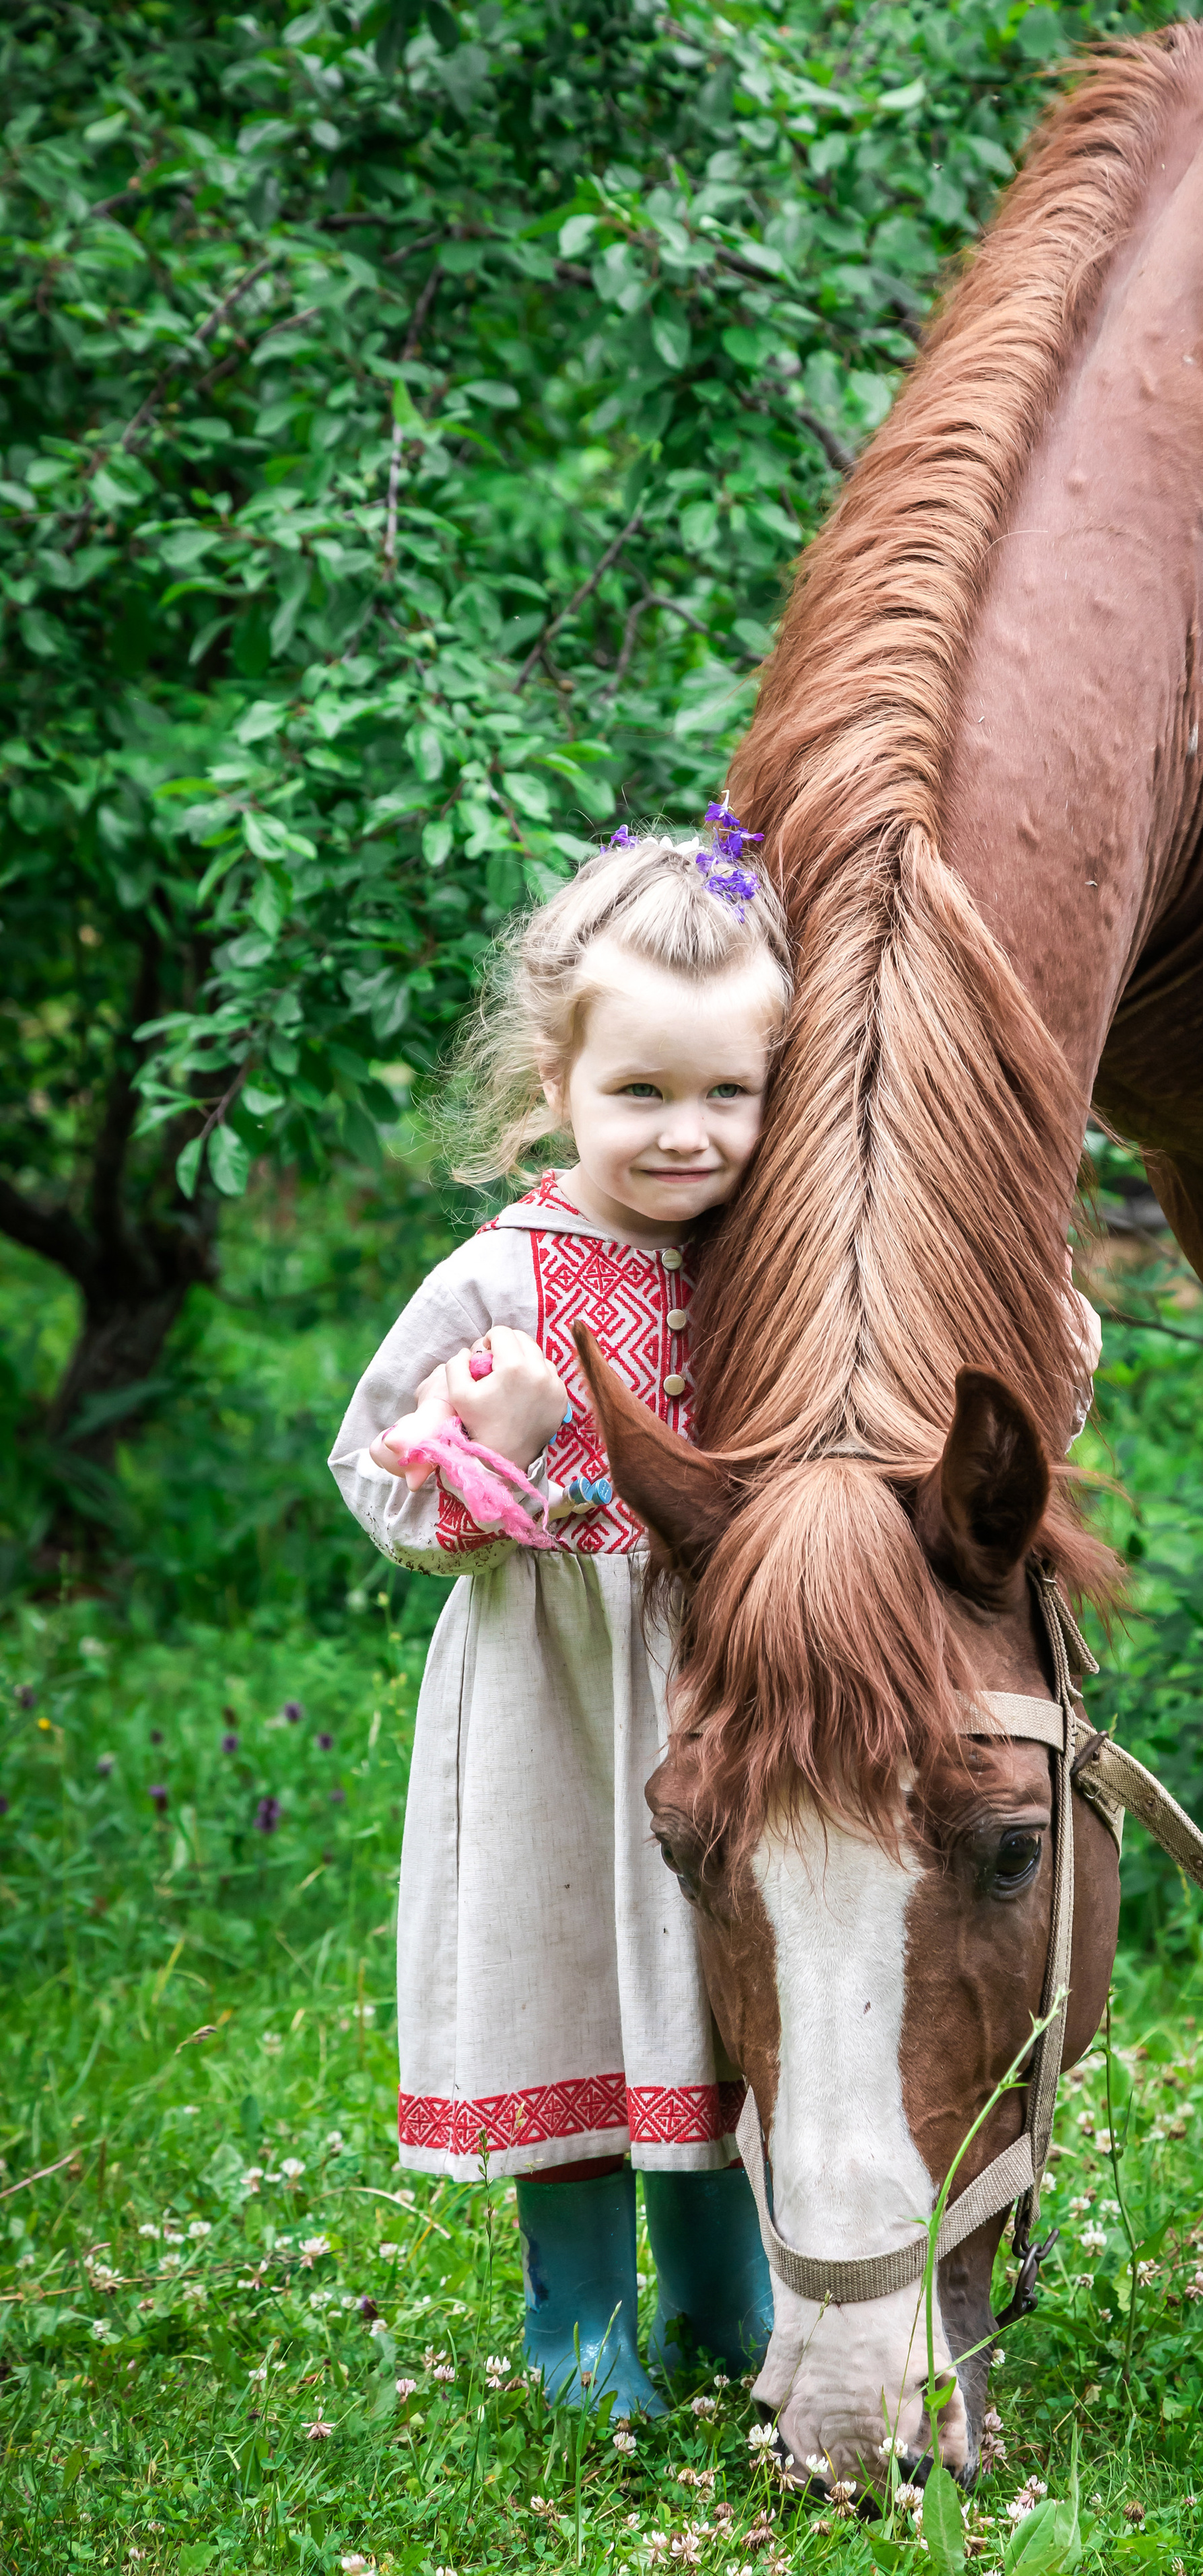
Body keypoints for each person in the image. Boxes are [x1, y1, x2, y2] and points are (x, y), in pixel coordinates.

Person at [329, 820, 788, 2419]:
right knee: (567, 1977)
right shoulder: (496, 1277)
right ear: (554, 1084)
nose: (685, 1135)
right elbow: (376, 1483)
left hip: (713, 1683)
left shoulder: (766, 1255)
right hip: (549, 1693)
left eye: (724, 1093)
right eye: (639, 1095)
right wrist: (505, 1445)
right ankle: (581, 2327)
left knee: (714, 1988)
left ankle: (731, 2309)